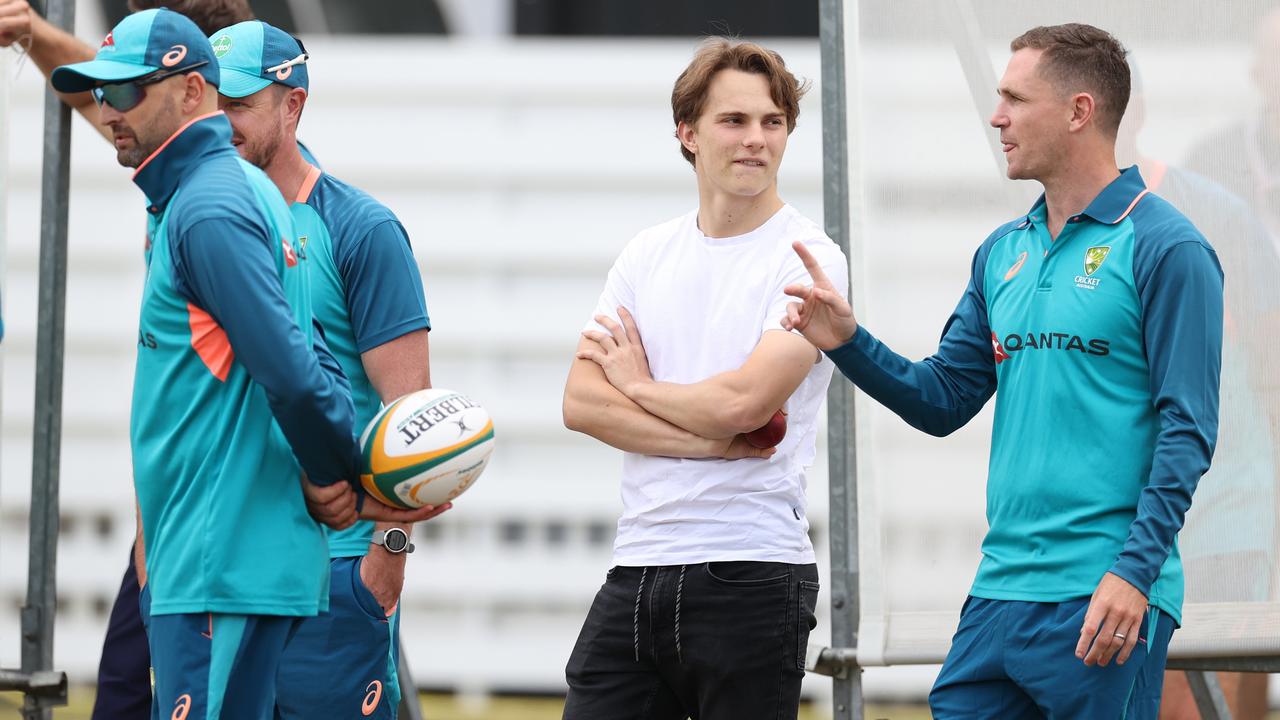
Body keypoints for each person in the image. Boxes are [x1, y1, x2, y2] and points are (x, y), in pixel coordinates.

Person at [782, 24, 1222, 719]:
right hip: (999, 596)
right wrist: (846, 340)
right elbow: (942, 399)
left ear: (1080, 111)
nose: (997, 117)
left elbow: (1189, 431)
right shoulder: (1001, 252)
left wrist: (1133, 572)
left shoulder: (1169, 247)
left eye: (1015, 99)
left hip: (1103, 596)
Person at [49, 9, 436, 717]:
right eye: (102, 93)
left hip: (234, 566)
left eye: (127, 92)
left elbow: (304, 375)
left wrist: (348, 497)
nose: (108, 111)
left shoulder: (216, 207)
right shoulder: (237, 197)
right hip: (231, 557)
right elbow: (303, 355)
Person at [560, 38, 848, 720]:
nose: (756, 139)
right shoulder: (646, 253)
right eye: (734, 120)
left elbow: (744, 402)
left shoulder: (810, 259)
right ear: (687, 133)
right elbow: (579, 402)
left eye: (772, 122)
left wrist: (638, 386)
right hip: (638, 565)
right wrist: (707, 443)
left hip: (751, 570)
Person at [208, 19, 434, 718]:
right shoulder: (198, 222)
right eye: (211, 103)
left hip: (332, 573)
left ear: (292, 104)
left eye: (238, 105)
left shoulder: (361, 228)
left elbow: (410, 420)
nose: (221, 123)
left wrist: (385, 561)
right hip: (223, 571)